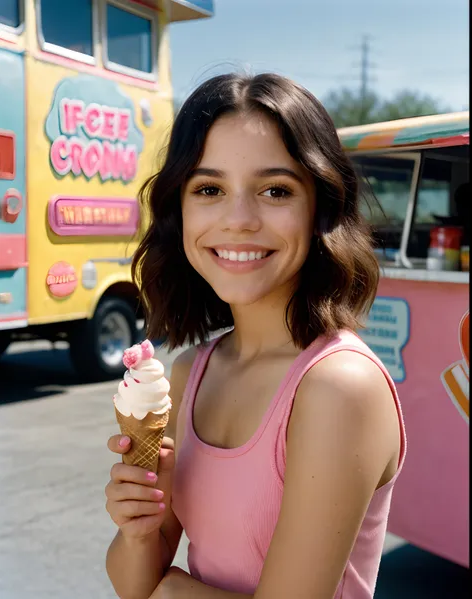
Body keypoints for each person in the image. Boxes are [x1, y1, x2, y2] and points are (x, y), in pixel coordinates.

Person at [105, 72, 406, 599]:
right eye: (209, 189)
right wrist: (138, 529)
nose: (239, 219)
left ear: (321, 209)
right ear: (181, 211)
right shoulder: (190, 371)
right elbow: (135, 586)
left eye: (274, 190)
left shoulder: (339, 387)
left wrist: (175, 593)